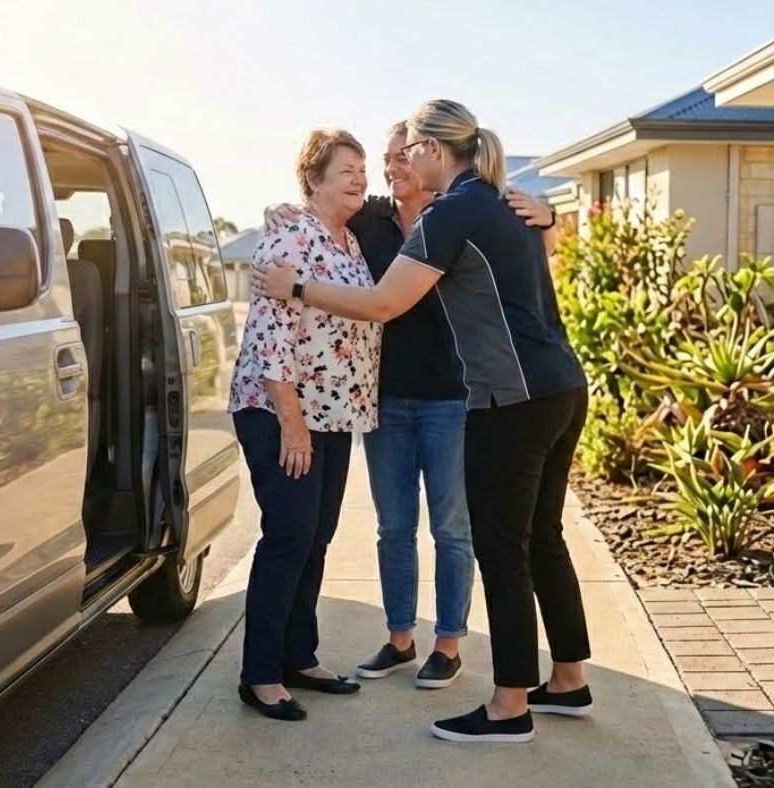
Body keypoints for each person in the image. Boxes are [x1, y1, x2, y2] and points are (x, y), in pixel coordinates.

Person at [252, 99, 591, 744]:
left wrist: (294, 288)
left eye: (407, 151)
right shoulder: (498, 201)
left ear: (436, 150)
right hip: (561, 387)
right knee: (542, 536)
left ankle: (509, 707)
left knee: (500, 548)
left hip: (511, 399)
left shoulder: (453, 210)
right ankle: (569, 679)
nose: (398, 164)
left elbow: (382, 304)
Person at [229, 128, 382, 722]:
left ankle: (300, 657)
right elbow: (272, 342)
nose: (359, 179)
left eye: (362, 169)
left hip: (334, 416)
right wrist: (292, 426)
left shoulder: (349, 241)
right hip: (279, 411)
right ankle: (260, 675)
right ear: (313, 179)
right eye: (346, 169)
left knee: (315, 537)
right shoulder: (292, 236)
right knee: (290, 534)